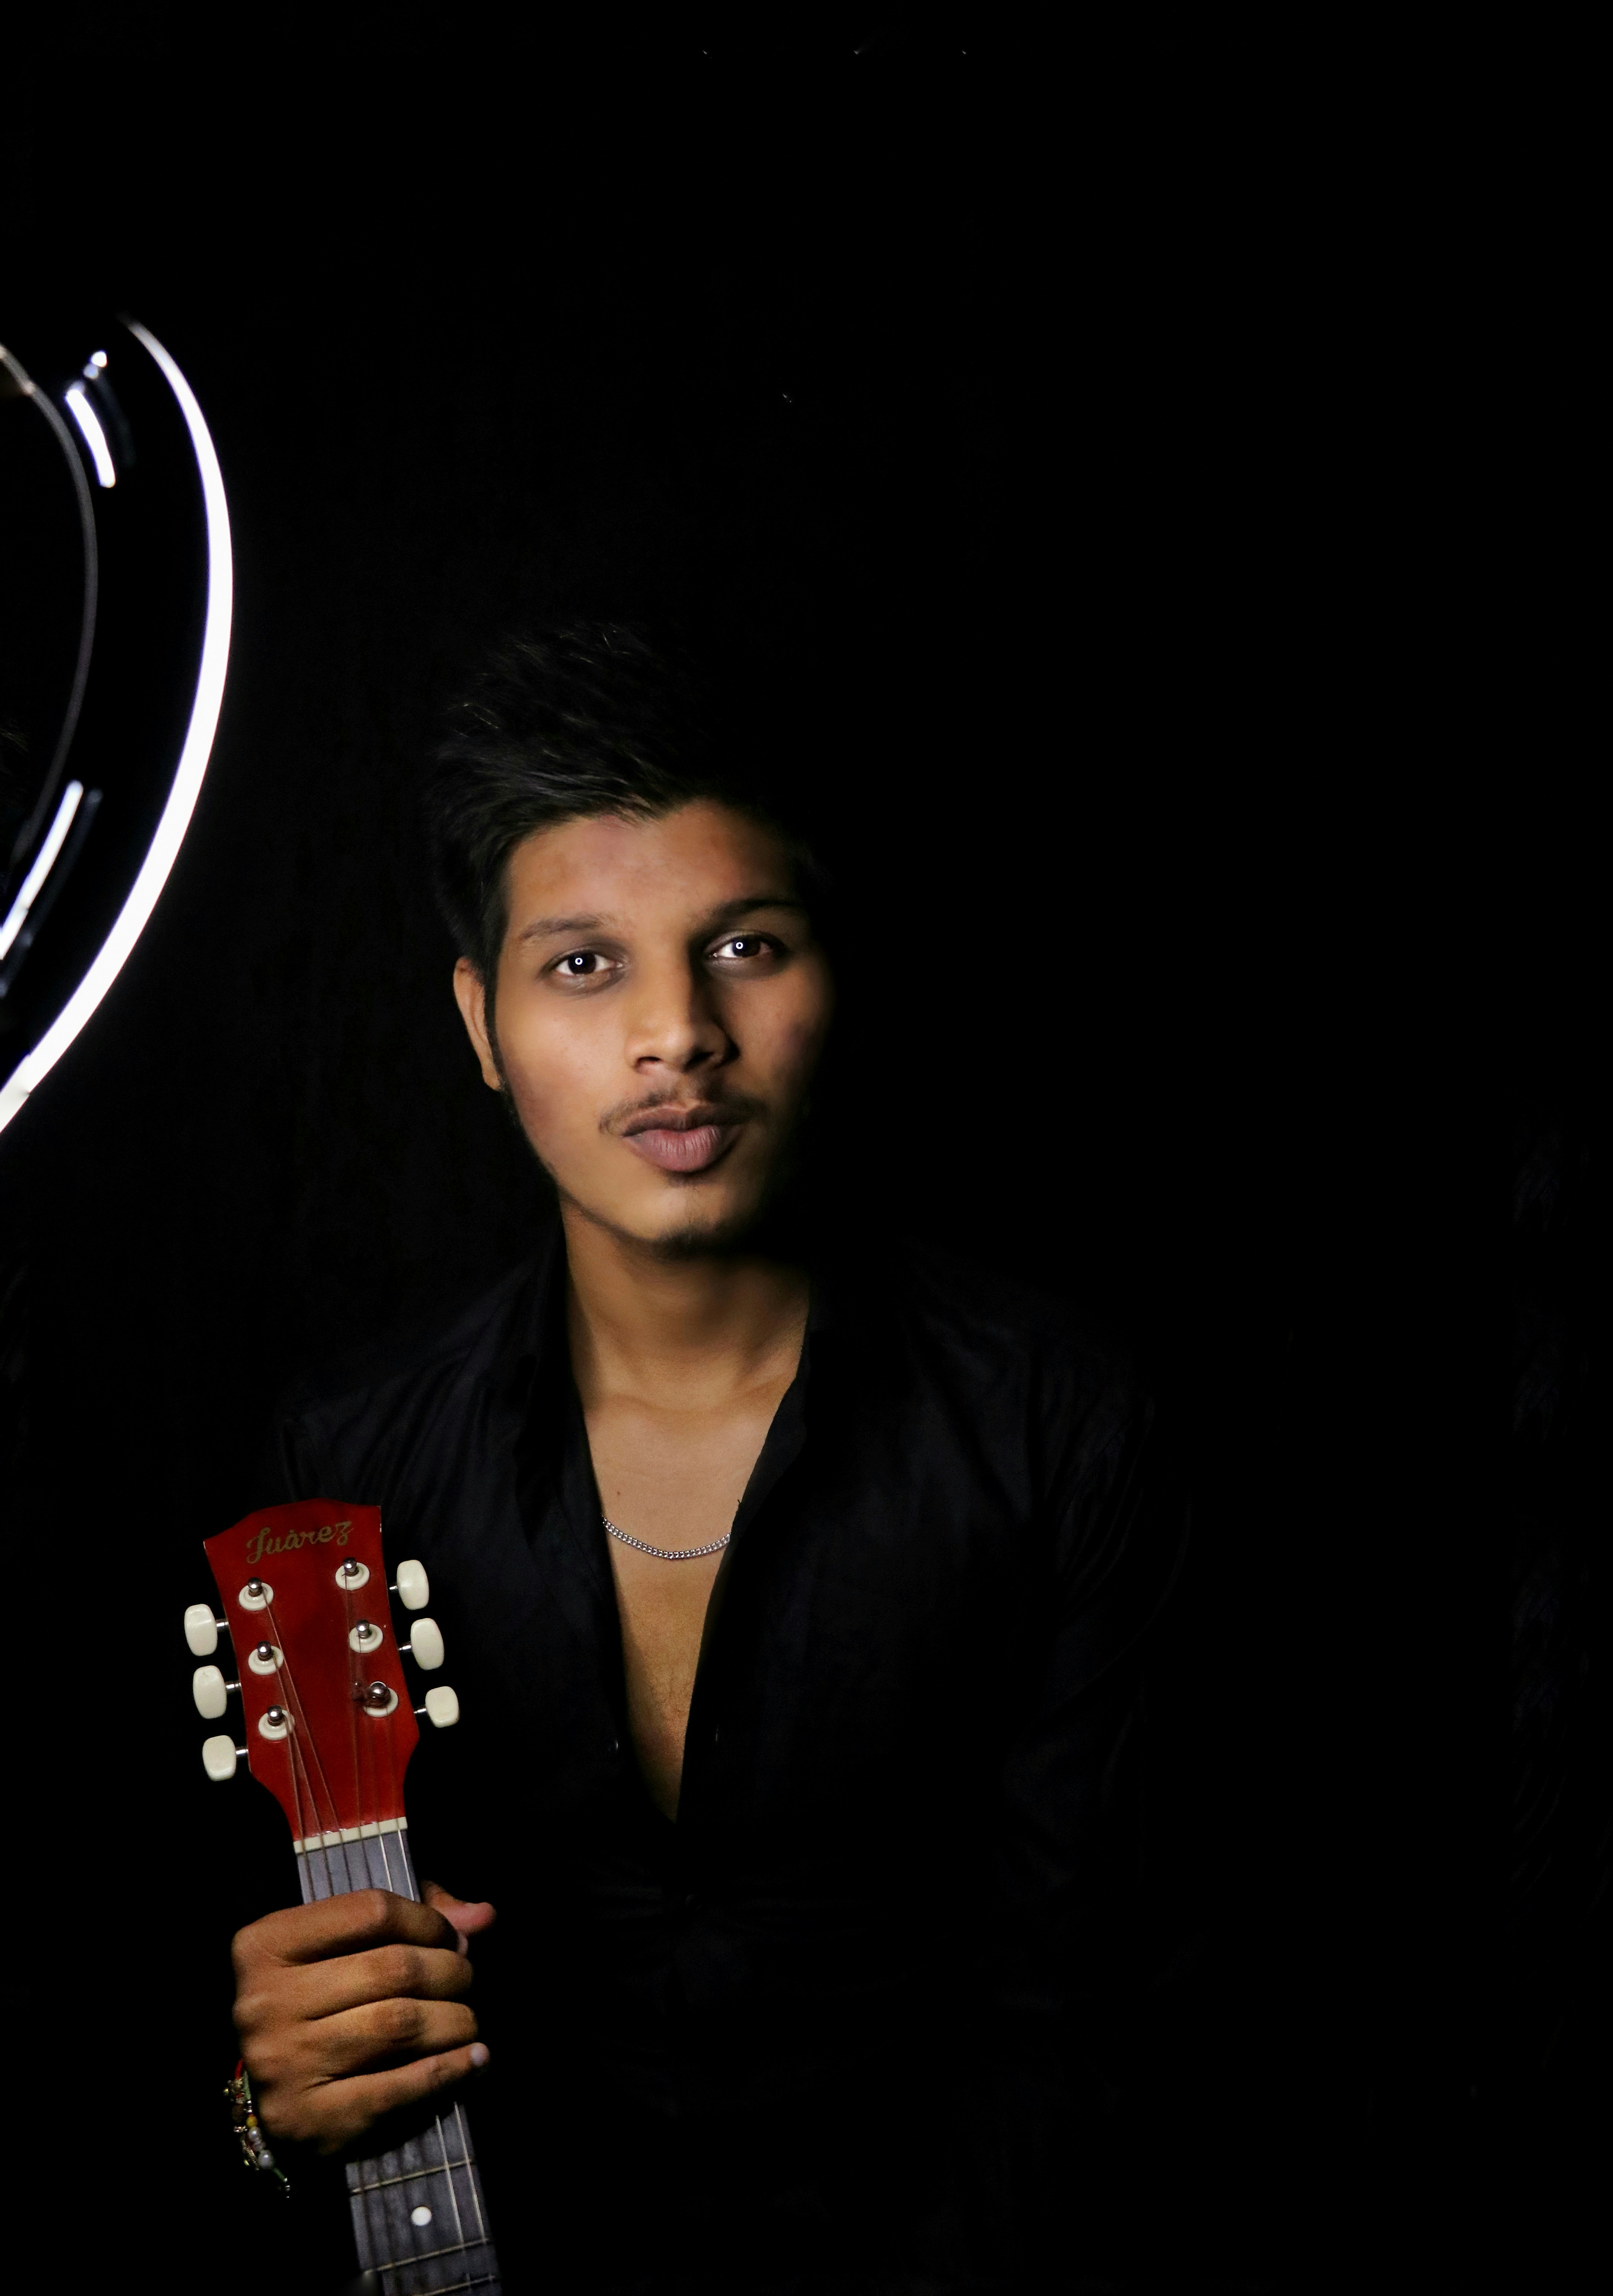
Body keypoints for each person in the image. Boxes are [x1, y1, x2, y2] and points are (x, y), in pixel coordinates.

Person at [230, 625, 1189, 2294]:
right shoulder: (344, 1467)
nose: (679, 1033)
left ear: (840, 969)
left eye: (743, 943)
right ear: (479, 1019)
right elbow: (280, 2079)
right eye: (584, 965)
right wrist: (269, 2104)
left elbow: (1101, 2028)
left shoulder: (1063, 1427)